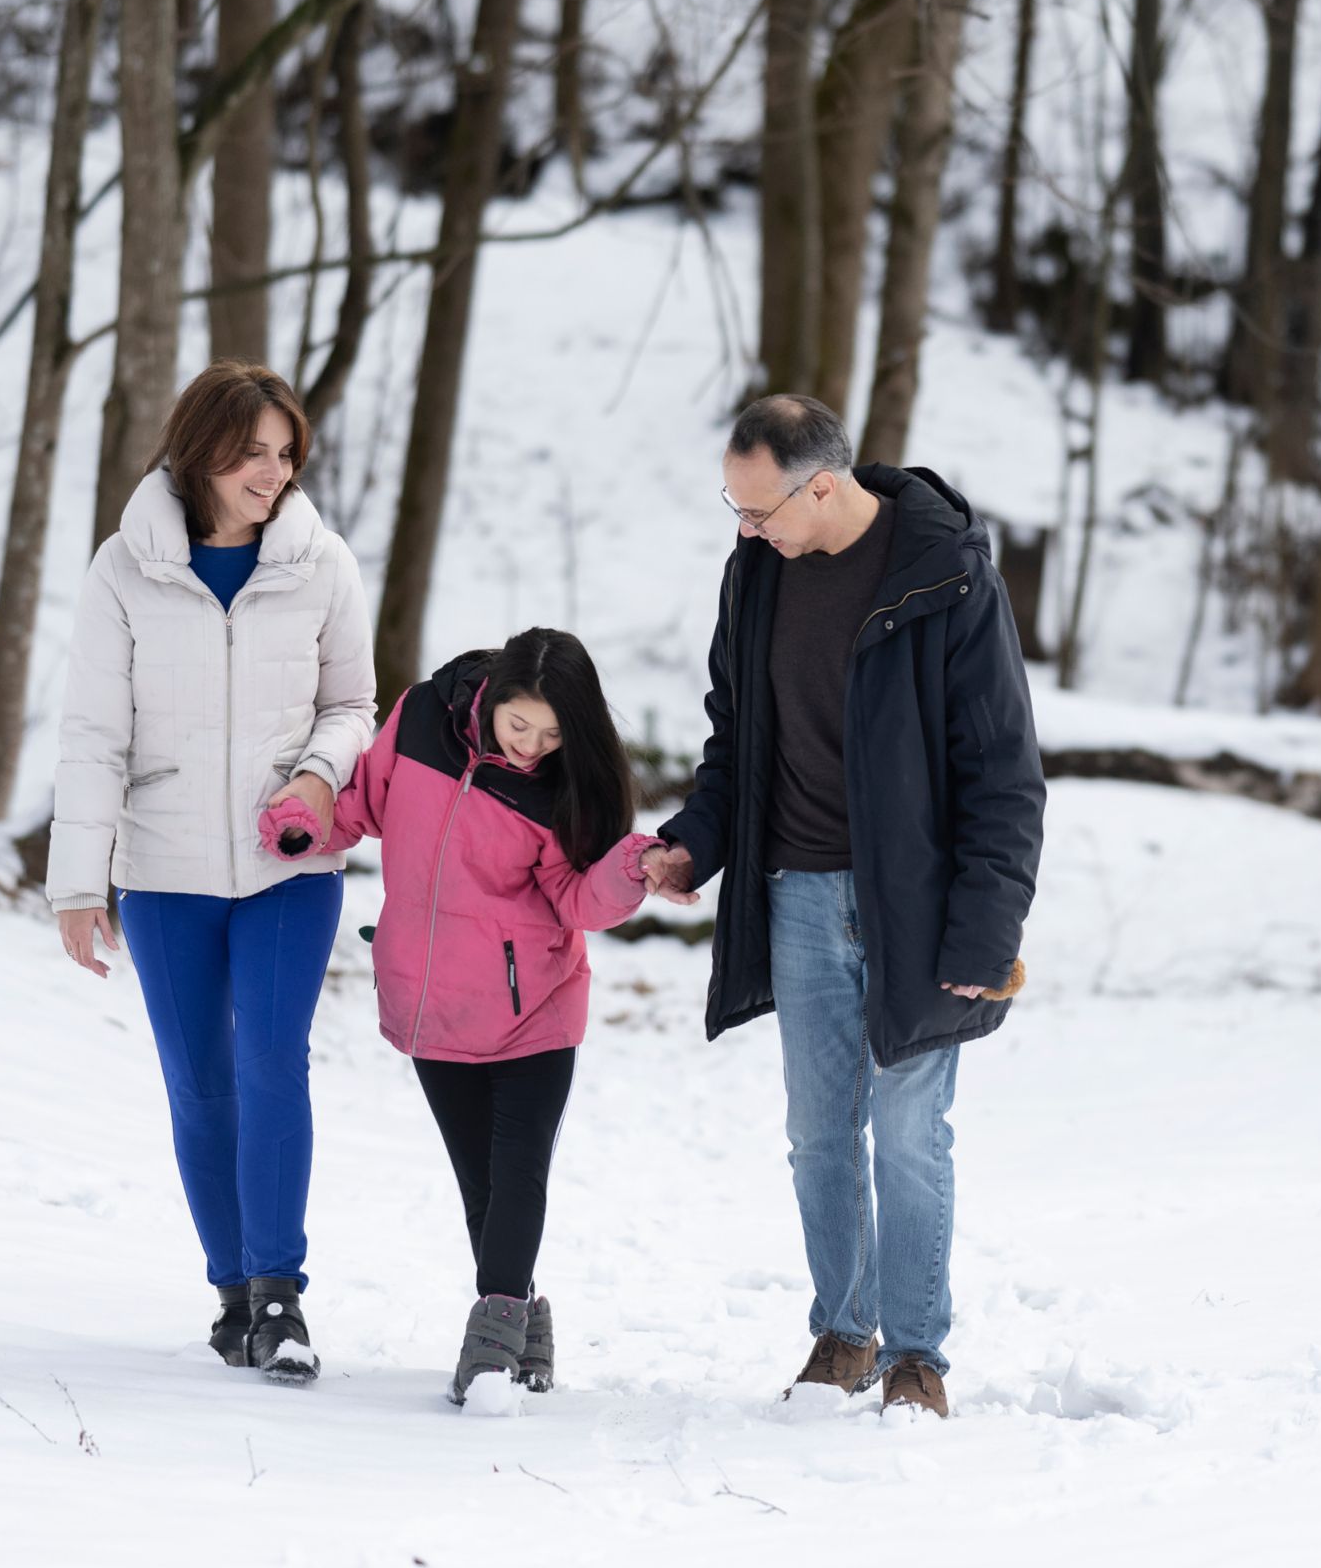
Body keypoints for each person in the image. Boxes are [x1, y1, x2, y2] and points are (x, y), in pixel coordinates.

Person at [640, 395, 1045, 1418]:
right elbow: (736, 737)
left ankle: (917, 1353)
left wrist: (987, 928)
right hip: (796, 893)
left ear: (821, 484)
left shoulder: (948, 577)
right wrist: (697, 838)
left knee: (909, 1133)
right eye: (732, 506)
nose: (745, 526)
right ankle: (844, 1331)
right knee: (820, 1131)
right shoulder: (757, 576)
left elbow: (1001, 772)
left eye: (758, 505)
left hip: (916, 906)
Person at [47, 362, 375, 1385]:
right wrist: (76, 882)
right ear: (199, 453)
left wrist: (321, 777)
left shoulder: (322, 563)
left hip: (290, 862)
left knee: (273, 1058)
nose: (273, 472)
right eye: (252, 452)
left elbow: (354, 702)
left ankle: (280, 1292)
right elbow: (94, 732)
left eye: (286, 453)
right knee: (197, 1080)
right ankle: (231, 1289)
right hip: (167, 868)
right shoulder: (122, 569)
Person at [263, 629, 661, 1406]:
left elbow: (578, 900)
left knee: (518, 1173)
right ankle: (526, 1325)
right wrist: (301, 821)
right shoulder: (418, 721)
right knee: (479, 1184)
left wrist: (629, 865)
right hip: (431, 998)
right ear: (492, 698)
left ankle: (487, 1349)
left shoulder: (559, 784)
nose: (532, 748)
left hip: (534, 1006)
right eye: (521, 727)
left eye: (553, 736)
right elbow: (362, 807)